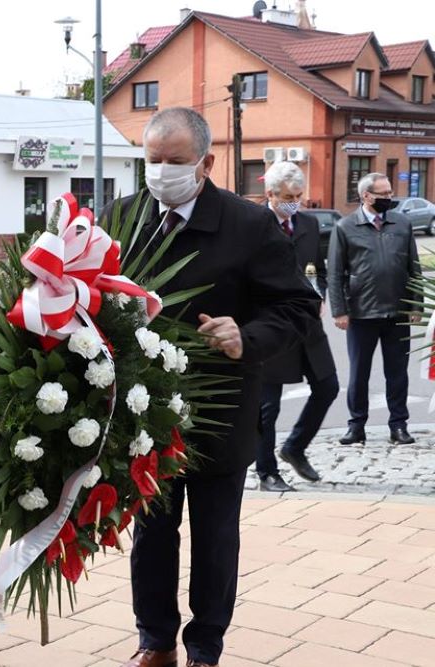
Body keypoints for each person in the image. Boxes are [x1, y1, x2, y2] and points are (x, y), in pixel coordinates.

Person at [103, 107, 319, 667]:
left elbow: (296, 305)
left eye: (175, 162)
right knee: (152, 533)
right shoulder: (121, 218)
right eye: (153, 162)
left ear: (207, 163)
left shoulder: (249, 224)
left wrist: (245, 335)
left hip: (221, 409)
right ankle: (154, 640)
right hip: (144, 413)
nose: (162, 173)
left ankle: (205, 646)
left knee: (215, 536)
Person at [257, 161, 338, 492]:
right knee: (268, 407)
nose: (294, 202)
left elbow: (317, 267)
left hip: (306, 322)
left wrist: (321, 295)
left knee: (328, 386)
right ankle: (267, 472)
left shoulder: (306, 223)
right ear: (270, 194)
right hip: (272, 323)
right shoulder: (256, 224)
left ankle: (294, 447)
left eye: (298, 196)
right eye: (287, 196)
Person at [328, 173, 422, 446]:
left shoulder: (402, 224)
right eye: (383, 194)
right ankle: (356, 426)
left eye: (390, 193)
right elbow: (335, 274)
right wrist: (339, 311)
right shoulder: (345, 227)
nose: (389, 199)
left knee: (398, 373)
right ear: (366, 196)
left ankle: (399, 426)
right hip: (361, 314)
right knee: (358, 374)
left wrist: (415, 304)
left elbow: (413, 268)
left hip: (398, 312)